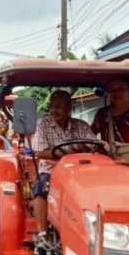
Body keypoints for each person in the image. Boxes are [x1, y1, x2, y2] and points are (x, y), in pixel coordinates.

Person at [32, 90, 98, 233]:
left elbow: (95, 145)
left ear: (69, 108)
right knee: (40, 187)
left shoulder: (80, 125)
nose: (54, 111)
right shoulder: (43, 124)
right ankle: (42, 234)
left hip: (80, 171)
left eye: (58, 107)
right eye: (52, 106)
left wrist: (103, 145)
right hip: (51, 170)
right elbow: (39, 152)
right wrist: (69, 156)